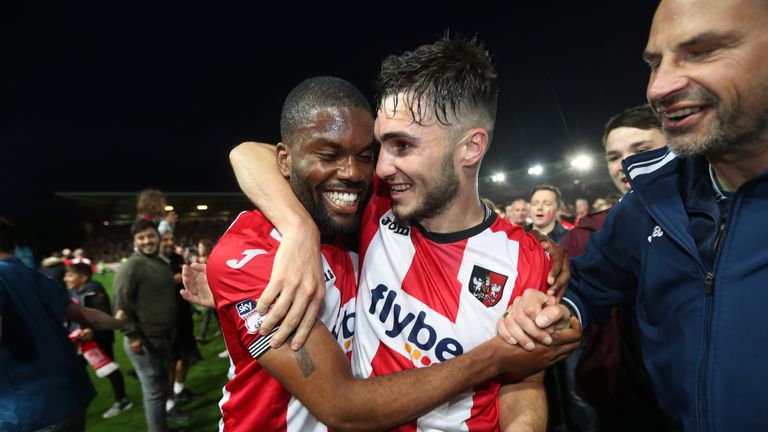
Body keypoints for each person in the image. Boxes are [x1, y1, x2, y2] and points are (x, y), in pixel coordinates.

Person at [183, 75, 579, 431]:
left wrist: (538, 247)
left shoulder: (361, 212)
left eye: (366, 155)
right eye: (329, 155)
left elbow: (447, 196)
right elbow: (245, 153)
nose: (356, 172)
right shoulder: (252, 255)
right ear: (284, 160)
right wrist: (298, 228)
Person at [501, 0, 768, 430]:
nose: (658, 88)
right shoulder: (651, 200)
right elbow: (588, 285)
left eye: (701, 53)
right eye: (654, 63)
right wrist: (556, 309)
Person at [559, 105, 670, 432]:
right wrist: (556, 310)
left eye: (641, 149)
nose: (626, 165)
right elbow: (582, 291)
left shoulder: (712, 215)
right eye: (614, 156)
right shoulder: (597, 231)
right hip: (622, 397)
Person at [0, 217, 126, 432]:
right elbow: (86, 316)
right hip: (68, 395)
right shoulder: (36, 277)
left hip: (26, 410)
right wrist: (120, 322)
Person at [113, 219, 184, 431]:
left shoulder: (159, 262)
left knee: (161, 389)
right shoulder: (132, 266)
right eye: (141, 237)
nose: (147, 241)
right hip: (145, 341)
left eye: (151, 235)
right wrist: (132, 335)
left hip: (163, 337)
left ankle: (161, 428)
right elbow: (120, 304)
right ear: (134, 241)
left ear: (158, 236)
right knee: (154, 392)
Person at [64, 262, 133, 419]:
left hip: (98, 338)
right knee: (76, 370)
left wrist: (91, 330)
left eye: (70, 275)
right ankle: (77, 404)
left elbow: (102, 314)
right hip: (80, 339)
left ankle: (122, 400)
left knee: (108, 367)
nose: (65, 278)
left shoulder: (93, 290)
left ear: (83, 277)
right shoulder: (73, 292)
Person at [158, 232, 201, 408]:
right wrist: (171, 280)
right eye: (165, 239)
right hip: (165, 320)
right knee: (169, 361)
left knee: (185, 354)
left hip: (183, 315)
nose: (170, 242)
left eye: (171, 239)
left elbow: (187, 278)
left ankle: (179, 389)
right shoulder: (152, 263)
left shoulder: (177, 258)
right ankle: (169, 404)